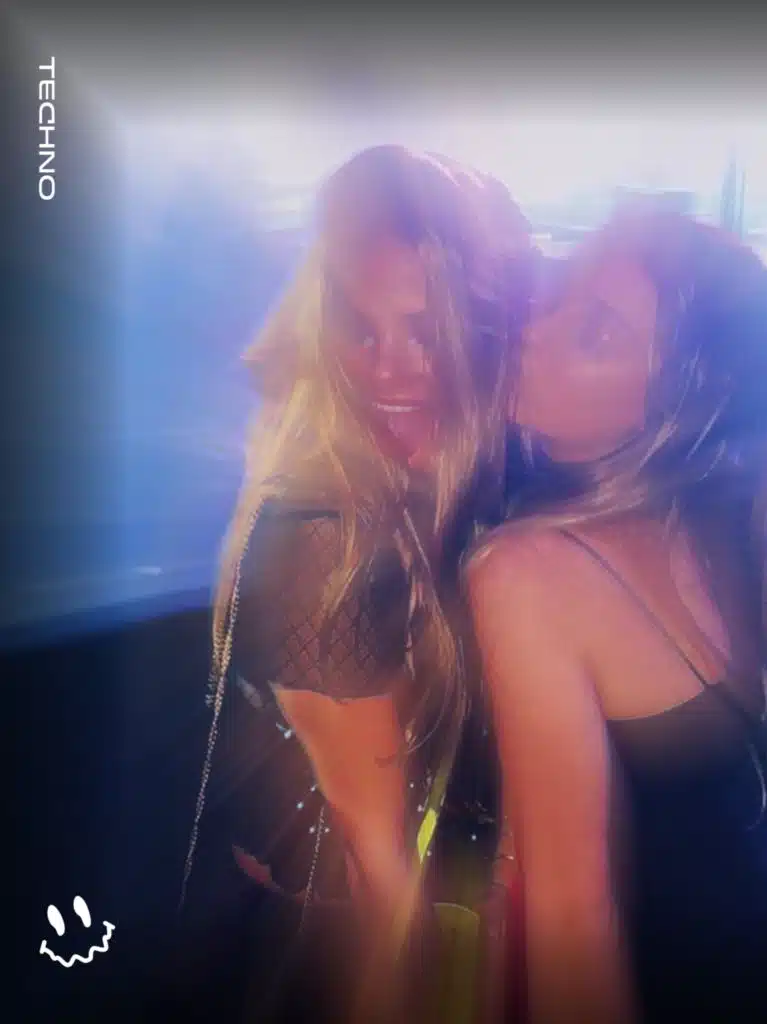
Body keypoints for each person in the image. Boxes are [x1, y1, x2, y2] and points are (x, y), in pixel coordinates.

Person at [466, 211, 767, 1022]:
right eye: (558, 295)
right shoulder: (705, 521)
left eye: (595, 333)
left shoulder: (525, 572)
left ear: (669, 406)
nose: (531, 330)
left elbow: (574, 918)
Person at [178, 144, 532, 1022]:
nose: (388, 368)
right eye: (360, 328)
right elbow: (380, 878)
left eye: (424, 329)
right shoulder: (326, 537)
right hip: (325, 948)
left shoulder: (454, 481)